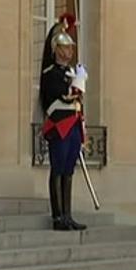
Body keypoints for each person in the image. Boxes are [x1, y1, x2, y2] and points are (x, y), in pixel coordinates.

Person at [39, 13, 88, 231]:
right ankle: (57, 215)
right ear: (57, 50)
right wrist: (74, 86)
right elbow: (58, 94)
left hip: (73, 124)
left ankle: (67, 214)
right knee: (58, 169)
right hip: (60, 125)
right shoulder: (51, 73)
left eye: (70, 48)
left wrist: (78, 81)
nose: (70, 51)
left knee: (68, 171)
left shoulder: (70, 73)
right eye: (66, 48)